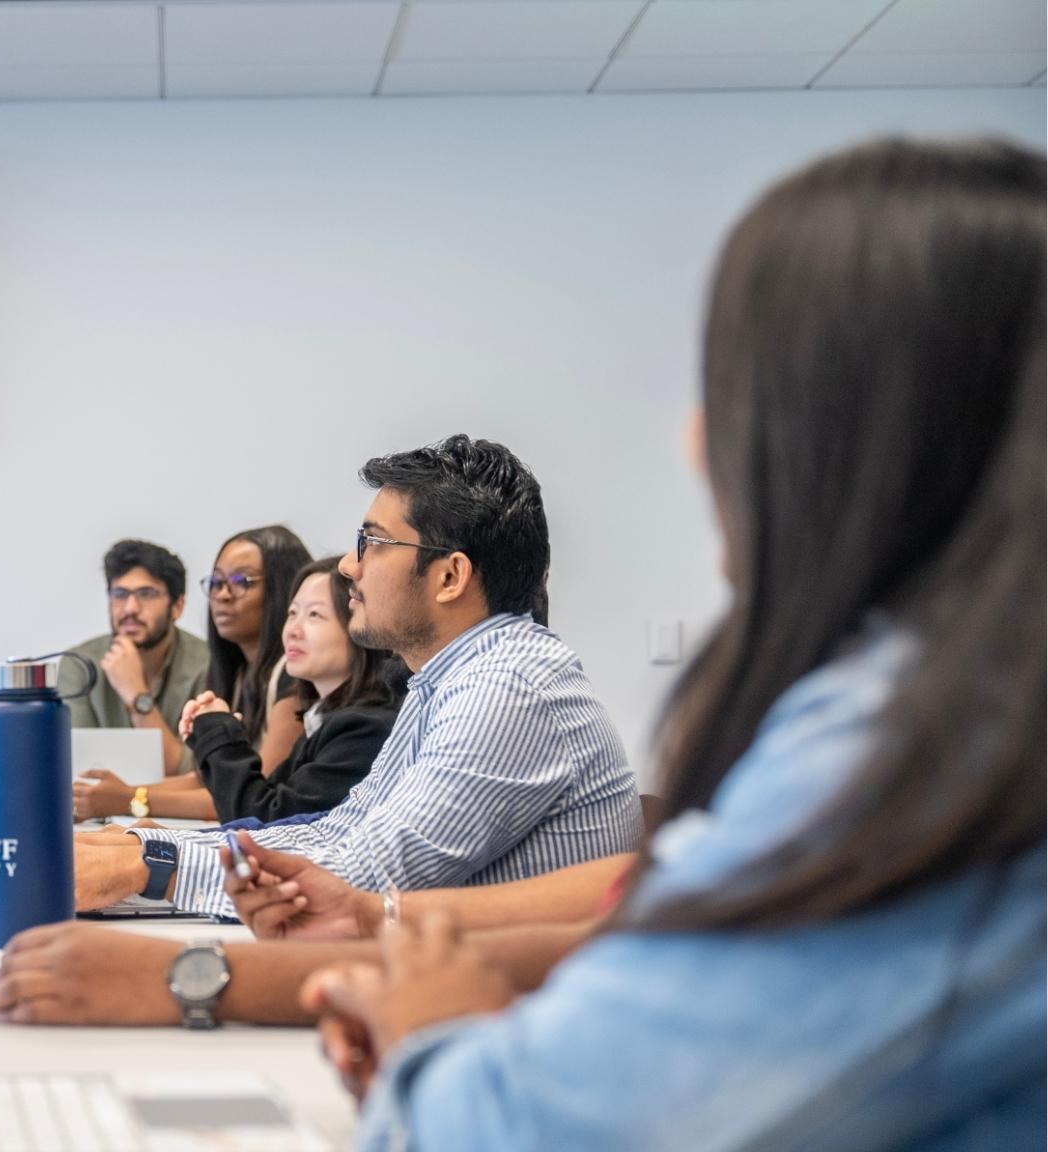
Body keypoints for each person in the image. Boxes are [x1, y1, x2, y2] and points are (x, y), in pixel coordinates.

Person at [306, 138, 1047, 1149]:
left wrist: (429, 1029)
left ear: (855, 429)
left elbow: (524, 1127)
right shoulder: (947, 709)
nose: (697, 440)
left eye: (736, 386)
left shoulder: (919, 750)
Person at [70, 436, 643, 916]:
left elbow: (363, 880)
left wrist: (150, 865)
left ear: (449, 577)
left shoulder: (507, 687)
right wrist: (142, 842)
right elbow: (340, 830)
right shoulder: (446, 681)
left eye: (372, 542)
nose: (349, 565)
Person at [74, 526, 310, 821]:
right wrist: (115, 794)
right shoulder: (236, 672)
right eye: (216, 582)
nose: (222, 595)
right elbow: (206, 777)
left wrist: (128, 798)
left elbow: (251, 796)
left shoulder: (293, 673)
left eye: (241, 581)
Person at [185, 557, 407, 824]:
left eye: (315, 615)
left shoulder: (366, 726)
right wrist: (209, 740)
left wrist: (219, 737)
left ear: (362, 627)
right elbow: (261, 804)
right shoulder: (326, 718)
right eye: (292, 613)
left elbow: (266, 821)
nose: (293, 630)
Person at [57, 539, 210, 780]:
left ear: (177, 606)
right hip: (94, 815)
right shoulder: (80, 664)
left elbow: (193, 774)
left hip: (182, 815)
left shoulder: (208, 663)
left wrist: (137, 695)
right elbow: (76, 766)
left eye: (146, 594)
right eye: (120, 594)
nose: (130, 608)